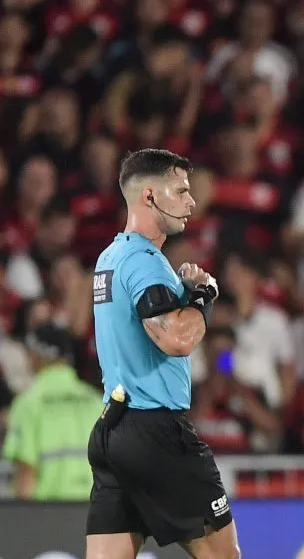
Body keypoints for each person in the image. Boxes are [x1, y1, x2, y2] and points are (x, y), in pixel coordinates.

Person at [85, 149, 240, 559]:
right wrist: (204, 296)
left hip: (112, 430)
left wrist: (184, 296)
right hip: (155, 431)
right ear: (150, 196)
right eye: (182, 191)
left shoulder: (110, 257)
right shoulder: (145, 261)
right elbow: (176, 338)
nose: (192, 202)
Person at [2, 323, 103, 501]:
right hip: (93, 507)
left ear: (36, 355)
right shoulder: (96, 401)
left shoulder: (28, 404)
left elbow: (26, 474)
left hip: (47, 511)